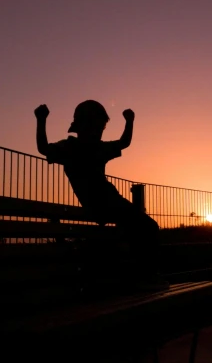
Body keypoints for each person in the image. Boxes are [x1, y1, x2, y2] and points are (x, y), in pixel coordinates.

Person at [34, 100, 167, 290]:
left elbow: (124, 142)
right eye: (96, 126)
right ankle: (146, 276)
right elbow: (43, 148)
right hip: (101, 204)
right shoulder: (70, 147)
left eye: (101, 127)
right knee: (147, 227)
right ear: (82, 126)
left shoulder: (95, 147)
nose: (99, 131)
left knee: (144, 228)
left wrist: (130, 121)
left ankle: (145, 276)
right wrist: (41, 120)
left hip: (109, 201)